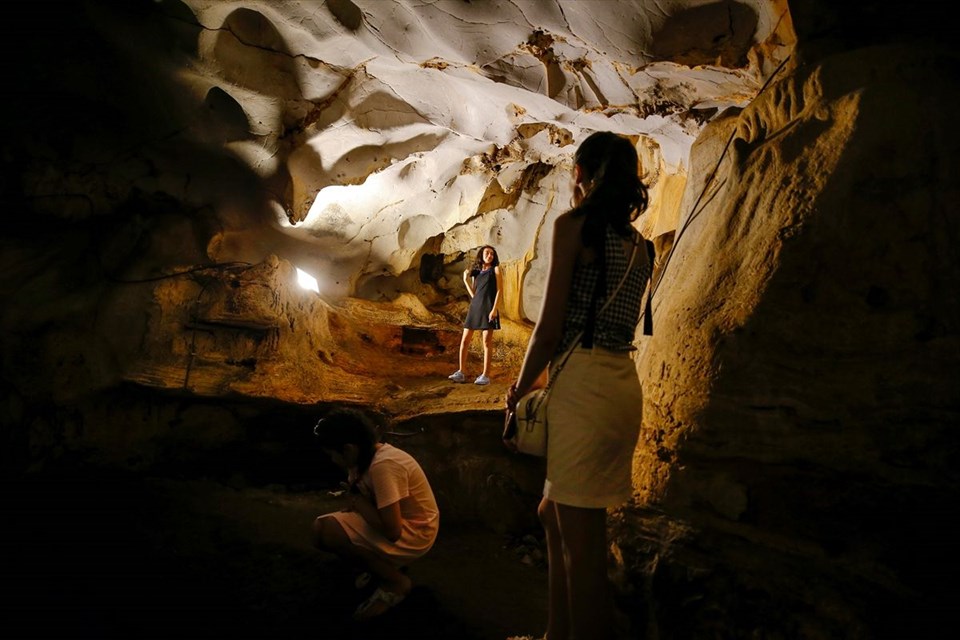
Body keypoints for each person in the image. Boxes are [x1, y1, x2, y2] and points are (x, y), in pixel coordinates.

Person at [505, 131, 652, 640]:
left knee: (585, 553)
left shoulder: (574, 228)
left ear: (583, 176)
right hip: (620, 387)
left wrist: (518, 391)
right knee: (553, 513)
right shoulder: (642, 247)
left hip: (584, 388)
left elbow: (548, 329)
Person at [311, 407, 440, 620]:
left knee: (326, 530)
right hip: (394, 523)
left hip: (416, 533)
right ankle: (380, 566)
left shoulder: (384, 466)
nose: (333, 461)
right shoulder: (364, 457)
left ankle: (395, 583)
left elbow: (392, 531)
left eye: (332, 455)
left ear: (348, 449)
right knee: (326, 530)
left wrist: (358, 503)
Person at [449, 245, 503, 385]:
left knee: (486, 342)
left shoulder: (495, 270)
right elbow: (474, 294)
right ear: (481, 254)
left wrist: (494, 309)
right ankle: (461, 372)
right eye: (487, 253)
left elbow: (499, 291)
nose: (489, 255)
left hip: (488, 308)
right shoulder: (476, 273)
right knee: (465, 341)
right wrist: (466, 280)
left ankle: (485, 376)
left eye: (492, 253)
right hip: (475, 307)